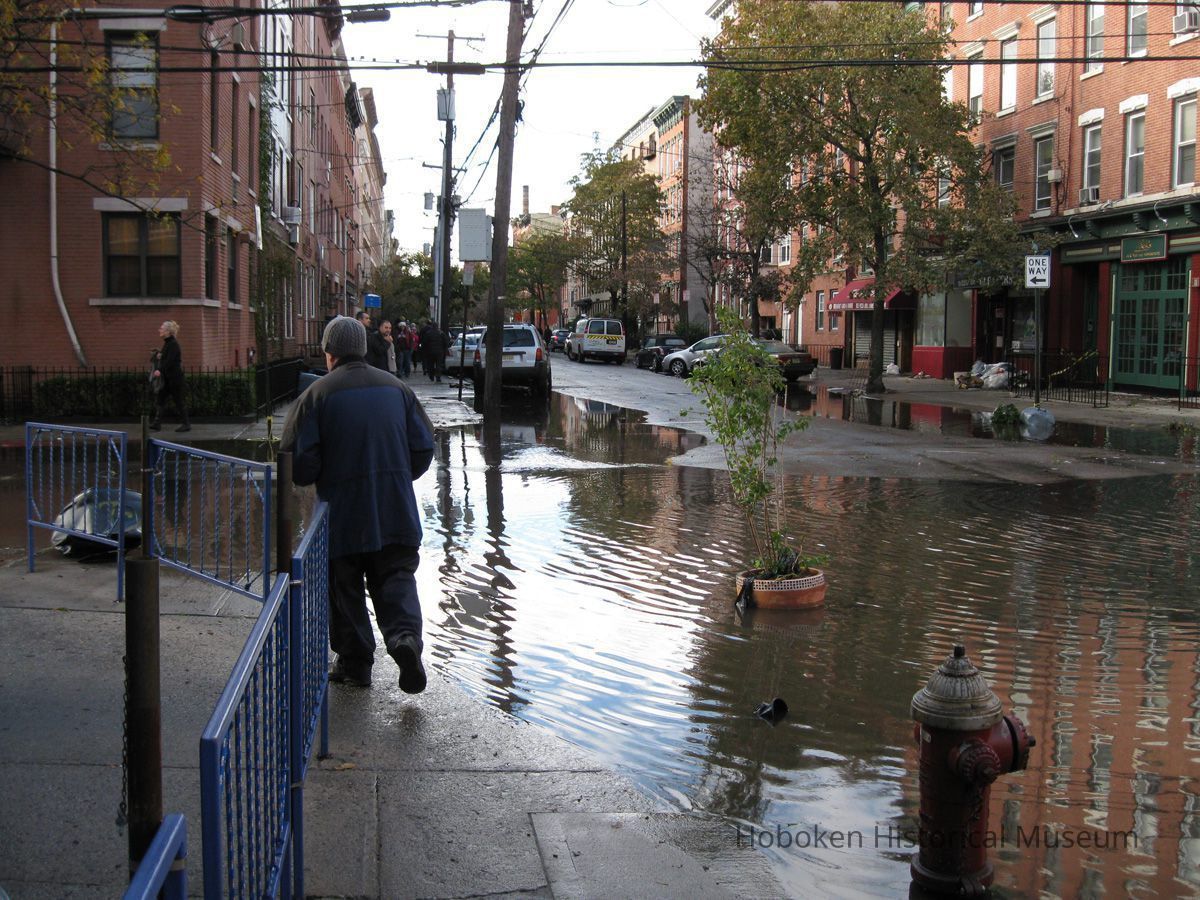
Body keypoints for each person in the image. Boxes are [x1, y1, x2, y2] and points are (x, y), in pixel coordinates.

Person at [281, 316, 435, 693]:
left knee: (344, 587)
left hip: (342, 513)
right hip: (395, 509)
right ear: (363, 349)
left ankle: (355, 664)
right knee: (397, 577)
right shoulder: (397, 389)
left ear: (329, 353)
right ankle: (404, 639)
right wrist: (396, 476)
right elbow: (423, 446)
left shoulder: (316, 395)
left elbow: (298, 464)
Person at [150, 320, 190, 432]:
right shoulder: (168, 343)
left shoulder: (173, 344)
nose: (159, 330)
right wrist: (159, 355)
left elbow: (170, 361)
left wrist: (160, 370)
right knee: (161, 398)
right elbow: (166, 357)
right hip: (167, 378)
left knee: (178, 400)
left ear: (168, 331)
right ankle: (157, 423)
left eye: (162, 328)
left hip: (175, 379)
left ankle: (186, 424)